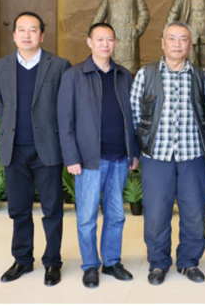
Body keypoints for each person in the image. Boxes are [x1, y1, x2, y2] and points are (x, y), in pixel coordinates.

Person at [57, 22, 139, 289]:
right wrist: (71, 157)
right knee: (87, 217)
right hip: (89, 160)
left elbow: (133, 118)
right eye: (100, 39)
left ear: (115, 43)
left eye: (110, 39)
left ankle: (112, 262)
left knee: (116, 215)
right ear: (90, 42)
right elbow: (65, 120)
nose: (105, 44)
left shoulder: (124, 75)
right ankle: (90, 265)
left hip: (120, 158)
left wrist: (133, 151)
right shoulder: (74, 75)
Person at [0, 11, 71, 286]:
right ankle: (22, 260)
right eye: (22, 30)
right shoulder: (0, 67)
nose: (27, 35)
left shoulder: (59, 66)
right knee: (19, 209)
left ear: (42, 35)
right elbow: (2, 106)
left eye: (33, 30)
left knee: (52, 210)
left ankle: (53, 262)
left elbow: (65, 109)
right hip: (14, 149)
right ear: (14, 35)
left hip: (47, 149)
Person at [130, 21, 205, 286]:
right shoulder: (146, 74)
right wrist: (137, 151)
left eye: (183, 39)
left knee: (195, 214)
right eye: (172, 38)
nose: (178, 44)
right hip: (156, 157)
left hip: (192, 157)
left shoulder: (200, 76)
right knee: (156, 215)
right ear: (163, 43)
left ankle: (189, 262)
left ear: (190, 45)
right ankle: (158, 263)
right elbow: (134, 116)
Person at [91, 0, 150, 75]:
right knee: (111, 71)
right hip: (113, 37)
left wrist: (138, 29)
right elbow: (99, 15)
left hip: (129, 38)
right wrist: (94, 34)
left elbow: (144, 12)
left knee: (130, 73)